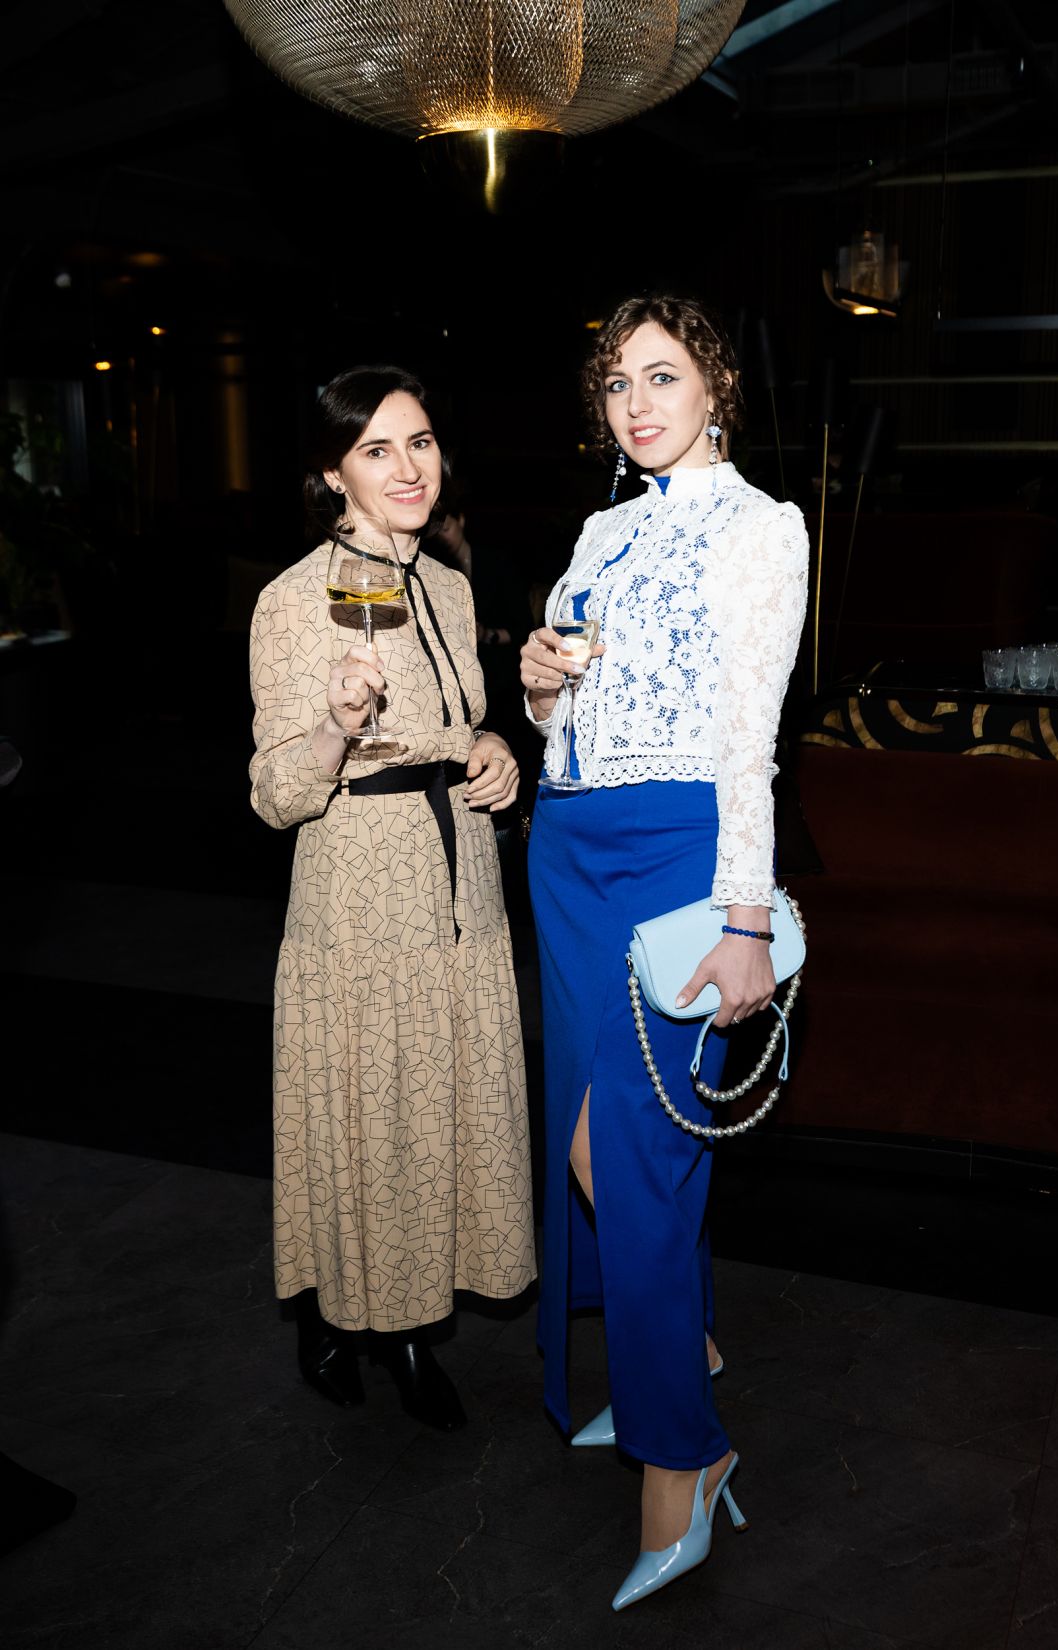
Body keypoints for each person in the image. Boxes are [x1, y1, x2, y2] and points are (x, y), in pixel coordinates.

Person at [520, 295, 809, 1607]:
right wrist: (541, 687)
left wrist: (745, 920)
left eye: (662, 376)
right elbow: (573, 715)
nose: (636, 403)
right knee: (598, 1140)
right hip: (569, 851)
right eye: (616, 383)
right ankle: (670, 1360)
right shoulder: (602, 527)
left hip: (677, 856)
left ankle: (681, 1458)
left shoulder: (761, 527)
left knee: (623, 1156)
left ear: (716, 389)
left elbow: (748, 737)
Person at [249, 366, 536, 1431]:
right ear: (334, 474)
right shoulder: (290, 600)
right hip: (361, 894)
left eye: (418, 443)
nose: (408, 467)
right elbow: (274, 794)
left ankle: (396, 1316)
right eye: (375, 449)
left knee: (438, 1106)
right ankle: (366, 1323)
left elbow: (457, 724)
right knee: (375, 1114)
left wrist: (495, 750)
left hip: (461, 885)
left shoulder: (451, 586)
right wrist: (333, 724)